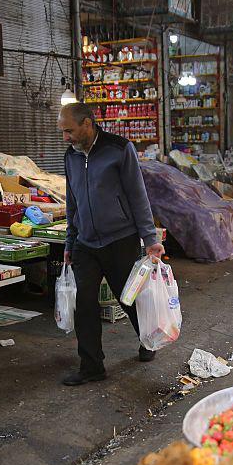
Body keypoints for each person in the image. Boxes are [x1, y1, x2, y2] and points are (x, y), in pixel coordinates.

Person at [58, 103, 165, 386]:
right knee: (85, 304)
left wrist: (150, 239)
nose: (65, 137)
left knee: (127, 297)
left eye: (69, 130)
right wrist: (70, 241)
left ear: (87, 124)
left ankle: (148, 340)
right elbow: (73, 202)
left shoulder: (119, 149)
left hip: (120, 238)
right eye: (63, 131)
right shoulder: (70, 157)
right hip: (85, 242)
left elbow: (137, 194)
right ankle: (92, 365)